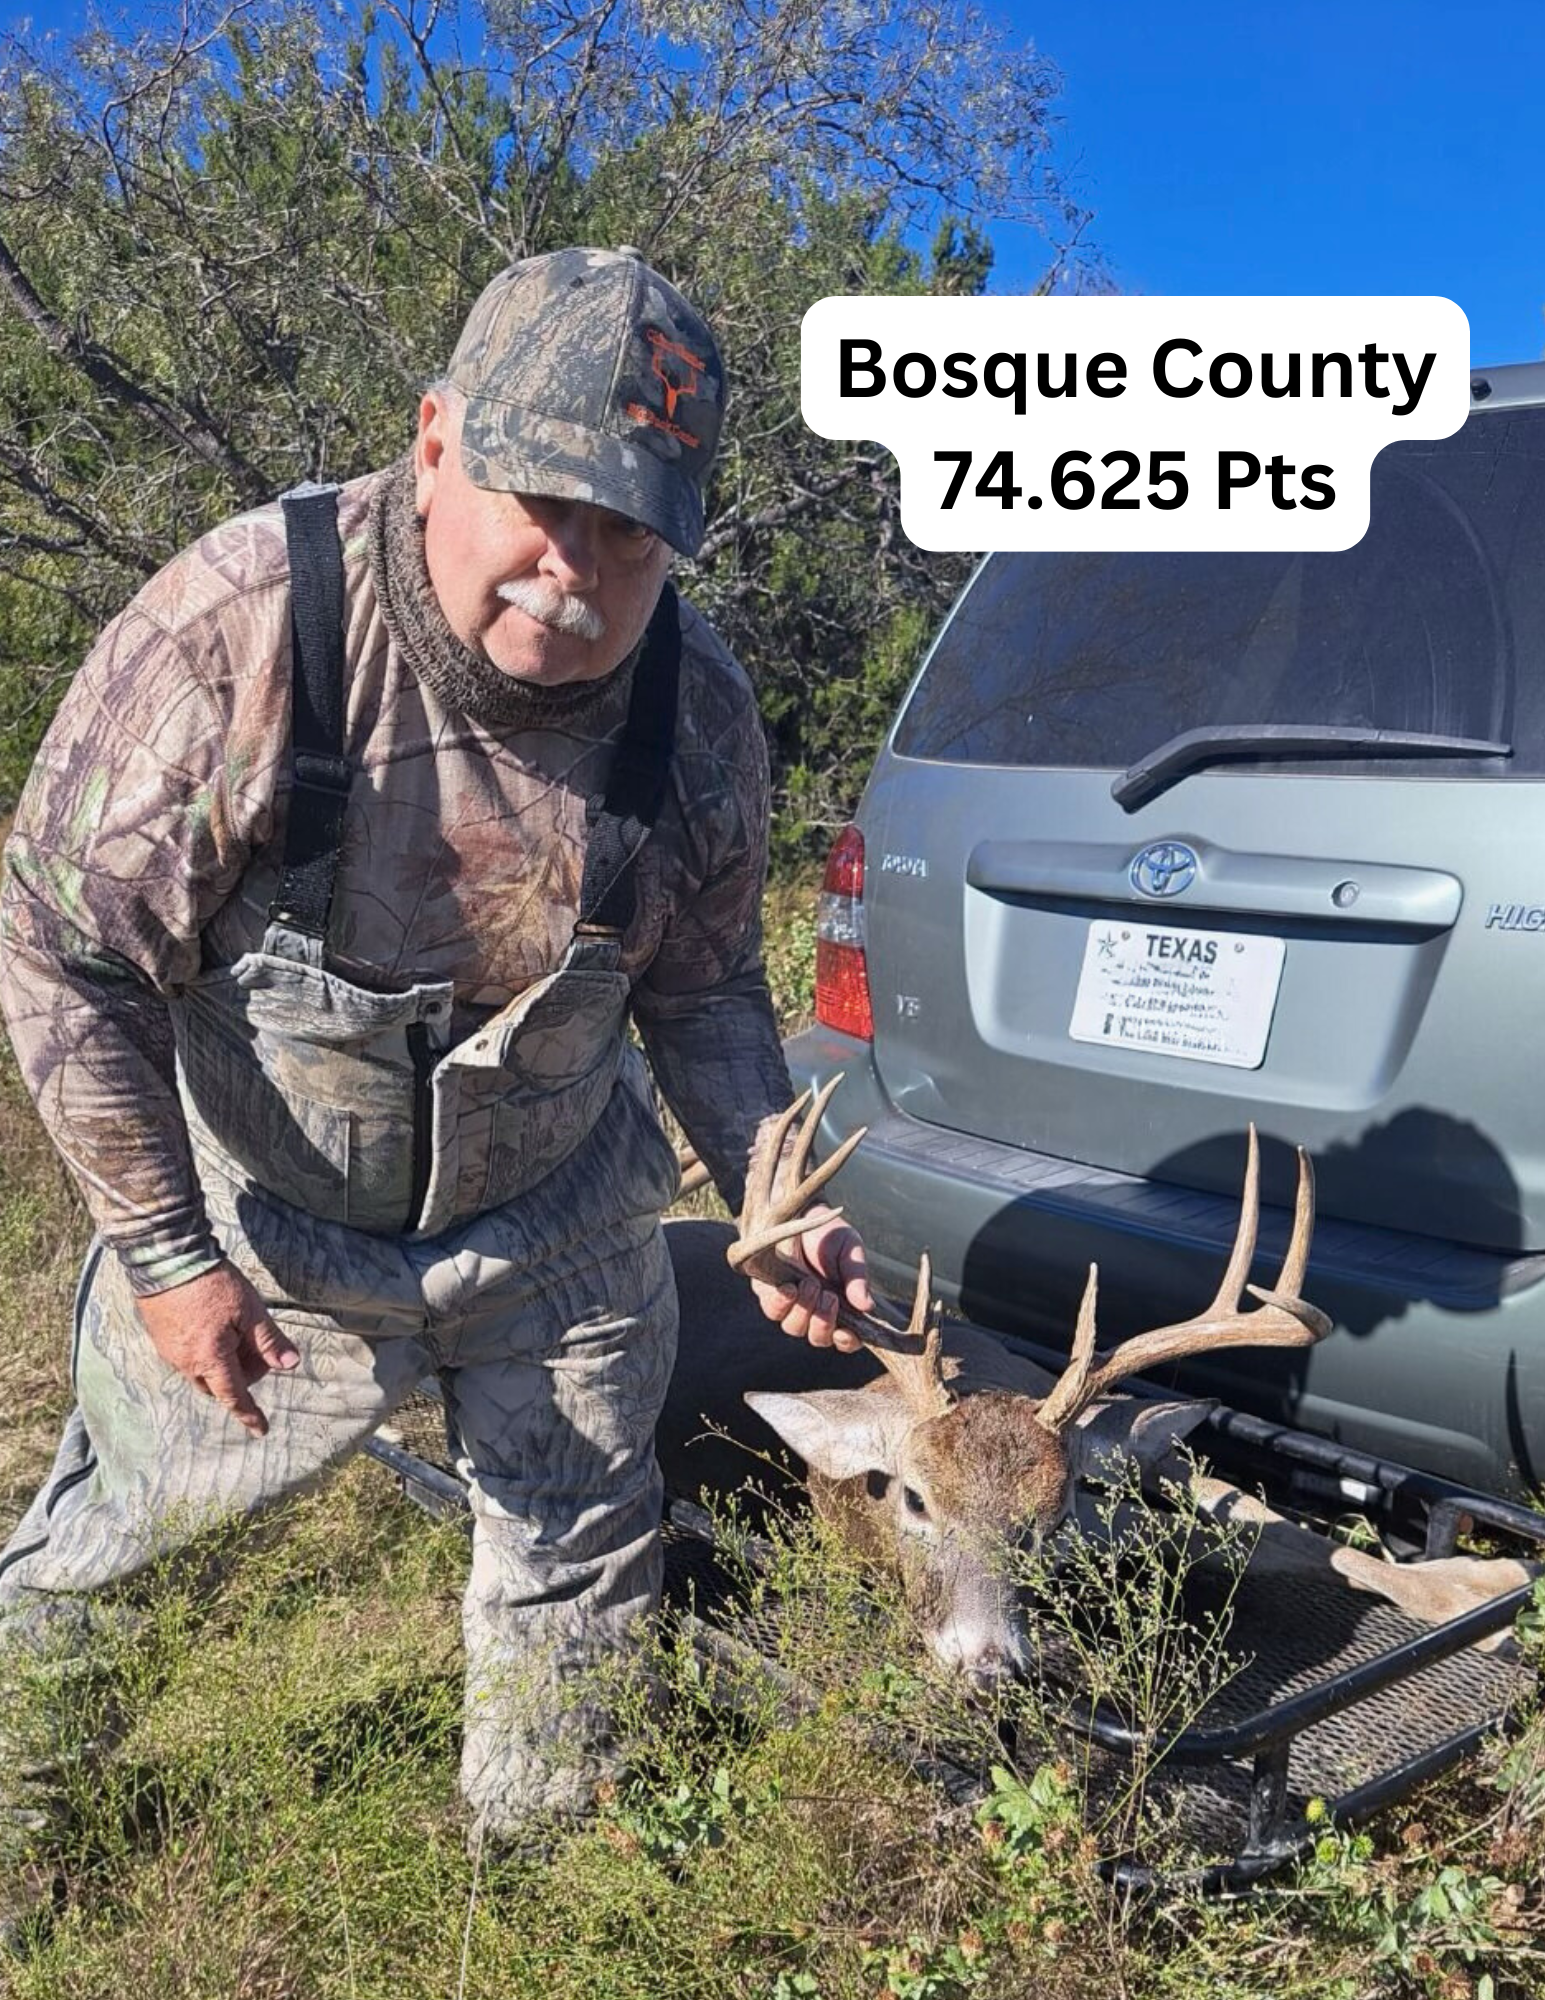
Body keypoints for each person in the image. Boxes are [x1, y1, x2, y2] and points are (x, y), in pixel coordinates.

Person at [0, 247, 872, 1891]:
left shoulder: (698, 715)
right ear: (433, 442)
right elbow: (68, 952)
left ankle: (539, 1894)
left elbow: (701, 995)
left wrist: (768, 1194)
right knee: (120, 1547)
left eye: (632, 529)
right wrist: (175, 1264)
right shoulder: (244, 629)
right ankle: (22, 1849)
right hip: (273, 1222)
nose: (575, 567)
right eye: (542, 496)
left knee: (580, 1546)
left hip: (561, 1212)